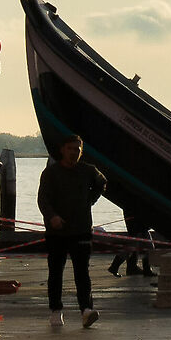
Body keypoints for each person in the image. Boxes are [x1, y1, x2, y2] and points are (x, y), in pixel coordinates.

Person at [36, 134, 107, 329]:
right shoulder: (51, 173)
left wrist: (90, 200)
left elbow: (102, 183)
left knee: (82, 272)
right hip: (56, 232)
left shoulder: (88, 171)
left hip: (82, 229)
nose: (74, 153)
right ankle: (56, 311)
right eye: (70, 149)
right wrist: (52, 217)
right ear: (62, 150)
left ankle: (86, 310)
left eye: (77, 149)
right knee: (56, 272)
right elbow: (43, 199)